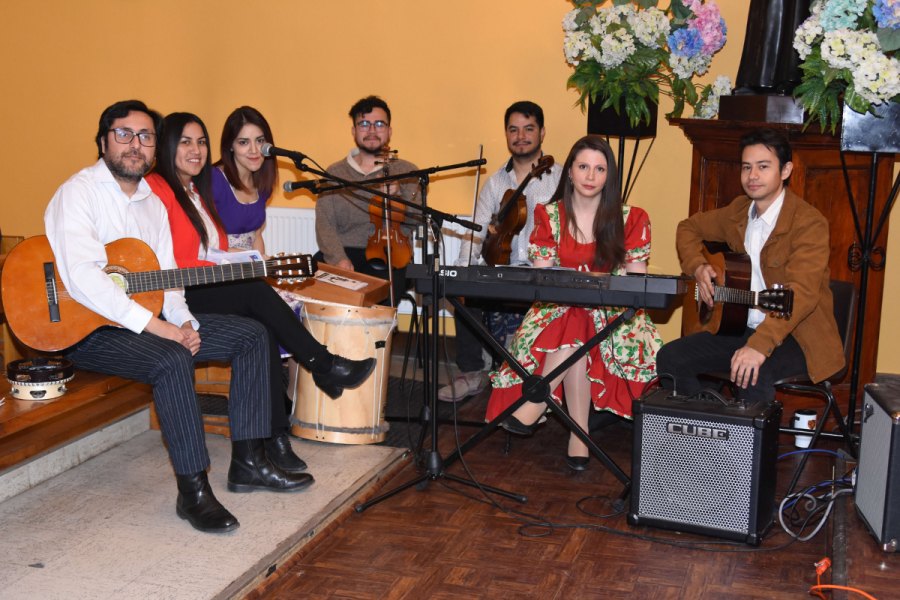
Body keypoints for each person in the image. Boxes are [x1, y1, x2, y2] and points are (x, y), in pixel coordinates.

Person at [44, 100, 313, 535]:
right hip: (88, 328)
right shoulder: (79, 192)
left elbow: (168, 279)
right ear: (102, 141)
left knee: (253, 335)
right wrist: (161, 329)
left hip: (146, 319)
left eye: (146, 136)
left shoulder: (152, 202)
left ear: (155, 147)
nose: (136, 145)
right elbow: (84, 280)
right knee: (171, 358)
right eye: (125, 134)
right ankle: (193, 492)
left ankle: (249, 463)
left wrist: (184, 320)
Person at [145, 112, 377, 473]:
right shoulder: (158, 188)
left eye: (201, 142)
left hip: (201, 282)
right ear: (167, 146)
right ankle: (323, 364)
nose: (196, 150)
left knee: (265, 324)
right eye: (186, 142)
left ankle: (276, 438)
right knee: (255, 292)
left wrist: (244, 262)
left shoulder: (192, 190)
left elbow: (210, 248)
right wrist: (233, 269)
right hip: (174, 293)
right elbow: (169, 260)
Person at [486, 135, 661, 471]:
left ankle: (536, 401)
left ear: (609, 176)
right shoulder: (548, 216)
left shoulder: (632, 218)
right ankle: (579, 435)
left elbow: (636, 285)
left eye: (599, 169)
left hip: (614, 315)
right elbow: (544, 281)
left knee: (579, 320)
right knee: (574, 318)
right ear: (570, 172)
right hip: (557, 311)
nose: (590, 176)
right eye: (583, 167)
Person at [657, 128, 845, 401]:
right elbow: (688, 227)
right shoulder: (738, 212)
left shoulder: (808, 223)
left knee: (749, 373)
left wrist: (759, 346)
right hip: (741, 328)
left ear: (785, 170)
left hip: (797, 336)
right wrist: (697, 267)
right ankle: (707, 430)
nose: (752, 175)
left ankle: (742, 441)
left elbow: (800, 295)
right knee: (671, 358)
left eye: (763, 166)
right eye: (746, 167)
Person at [437, 101, 562, 402]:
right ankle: (473, 373)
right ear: (506, 134)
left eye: (528, 128)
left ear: (542, 132)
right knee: (467, 289)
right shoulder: (494, 184)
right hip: (504, 268)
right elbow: (477, 230)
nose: (520, 136)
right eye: (513, 129)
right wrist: (461, 270)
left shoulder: (560, 178)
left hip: (544, 271)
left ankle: (531, 376)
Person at [208, 106, 306, 404]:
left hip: (250, 265)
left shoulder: (262, 179)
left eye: (259, 140)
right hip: (217, 268)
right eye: (243, 142)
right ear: (229, 146)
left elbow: (257, 236)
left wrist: (266, 272)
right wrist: (252, 263)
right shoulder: (214, 179)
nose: (254, 150)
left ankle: (291, 397)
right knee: (276, 307)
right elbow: (206, 242)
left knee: (300, 299)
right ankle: (273, 391)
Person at [313, 95, 421, 303]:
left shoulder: (407, 171)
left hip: (391, 256)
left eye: (379, 124)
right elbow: (324, 225)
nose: (372, 130)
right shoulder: (334, 172)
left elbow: (418, 220)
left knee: (375, 300)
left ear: (389, 131)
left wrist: (398, 195)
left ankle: (376, 336)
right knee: (305, 284)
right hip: (344, 251)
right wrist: (339, 259)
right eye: (364, 124)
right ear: (354, 131)